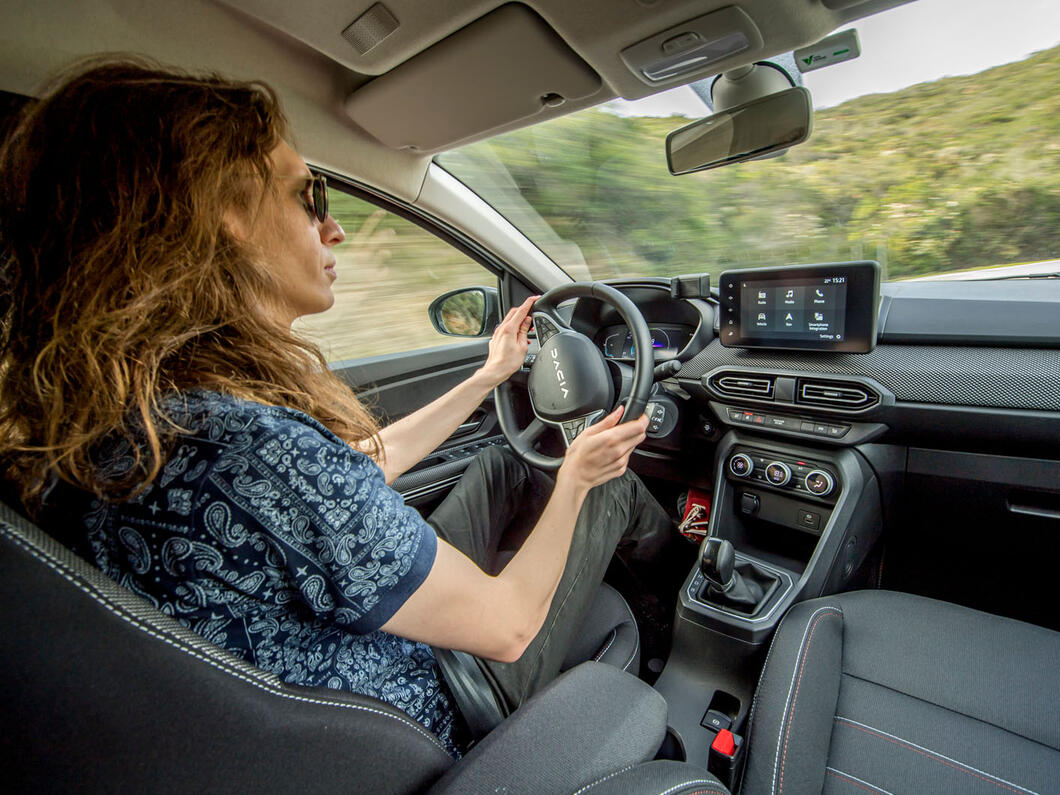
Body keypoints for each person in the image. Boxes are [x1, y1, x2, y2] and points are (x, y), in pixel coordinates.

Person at [0, 59, 671, 756]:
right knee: (610, 487)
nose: (334, 229)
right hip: (433, 697)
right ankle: (674, 629)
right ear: (221, 217)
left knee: (504, 463)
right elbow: (507, 625)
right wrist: (575, 480)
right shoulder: (250, 445)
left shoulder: (136, 422)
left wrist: (488, 375)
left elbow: (355, 469)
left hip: (323, 663)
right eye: (306, 197)